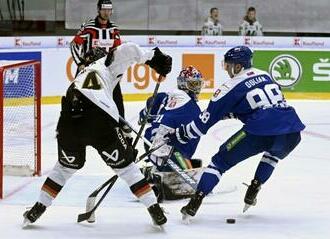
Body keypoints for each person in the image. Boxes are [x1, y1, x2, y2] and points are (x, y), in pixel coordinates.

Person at [23, 42, 172, 227]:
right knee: (126, 169)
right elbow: (129, 49)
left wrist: (125, 138)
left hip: (69, 121)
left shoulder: (81, 77)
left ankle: (37, 209)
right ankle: (154, 209)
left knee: (64, 168)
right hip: (99, 121)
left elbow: (117, 114)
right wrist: (156, 58)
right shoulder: (105, 64)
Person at [168, 46, 305, 219]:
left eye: (228, 65)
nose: (226, 69)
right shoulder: (265, 74)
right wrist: (234, 112)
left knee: (219, 163)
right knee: (272, 155)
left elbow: (201, 126)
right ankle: (254, 187)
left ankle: (194, 203)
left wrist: (179, 134)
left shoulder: (228, 87)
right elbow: (265, 104)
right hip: (292, 129)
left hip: (259, 130)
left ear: (238, 66)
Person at [139, 66, 204, 201]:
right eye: (193, 84)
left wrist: (147, 112)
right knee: (189, 174)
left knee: (186, 161)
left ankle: (152, 168)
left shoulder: (165, 96)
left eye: (198, 84)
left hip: (149, 144)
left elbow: (145, 115)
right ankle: (157, 171)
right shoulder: (193, 108)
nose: (196, 88)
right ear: (182, 83)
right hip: (164, 151)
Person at [70, 0, 125, 121]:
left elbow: (117, 50)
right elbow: (73, 44)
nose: (107, 13)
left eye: (109, 10)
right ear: (98, 10)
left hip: (107, 71)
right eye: (104, 9)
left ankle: (122, 125)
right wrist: (80, 63)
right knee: (76, 96)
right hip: (89, 69)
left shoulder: (114, 28)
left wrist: (118, 69)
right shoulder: (89, 26)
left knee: (117, 99)